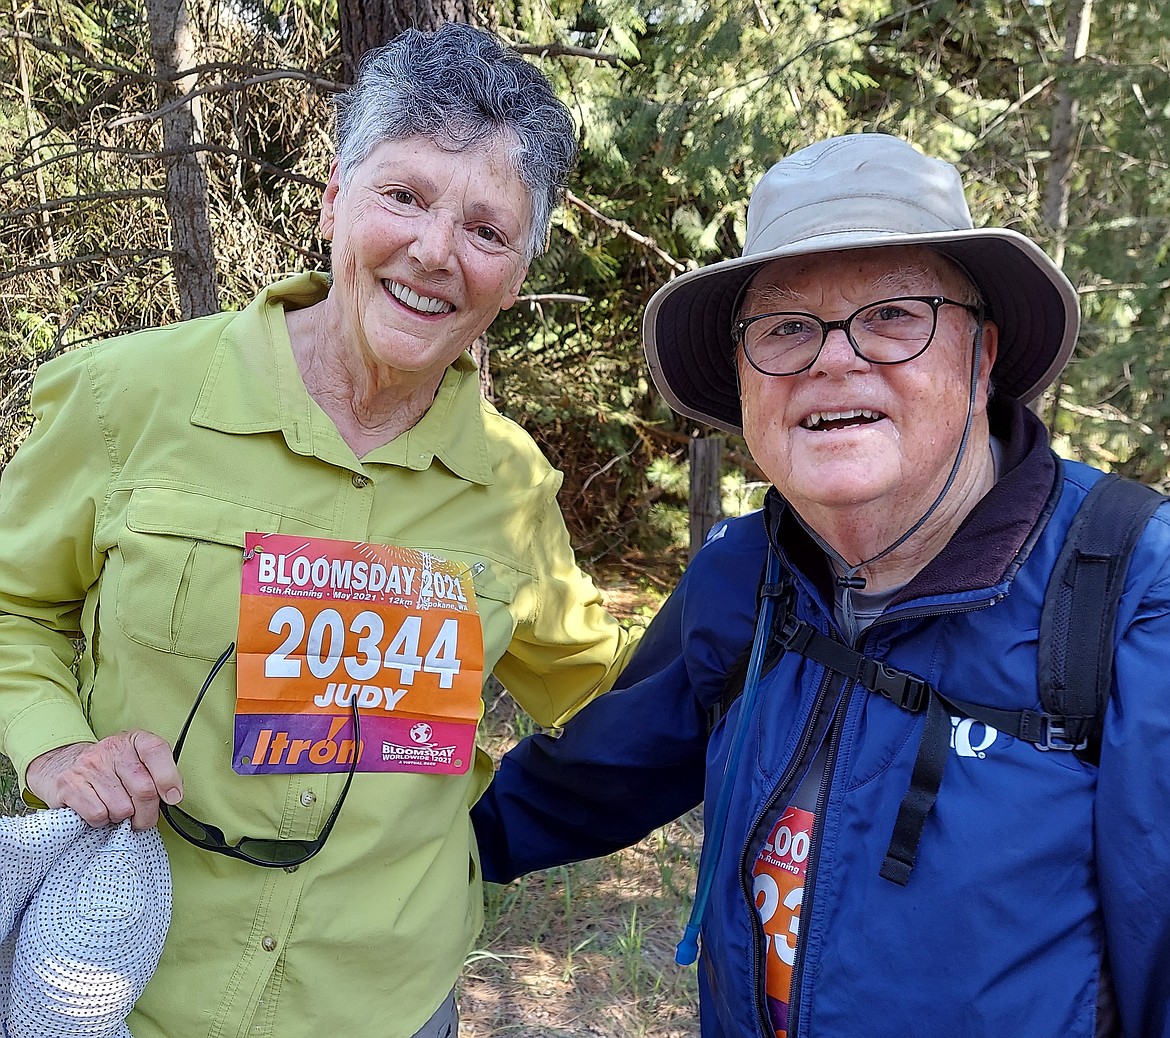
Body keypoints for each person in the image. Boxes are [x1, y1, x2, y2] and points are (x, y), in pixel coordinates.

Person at [0, 23, 639, 1038]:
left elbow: (606, 691)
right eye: (406, 196)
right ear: (335, 200)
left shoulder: (512, 485)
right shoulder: (131, 397)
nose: (435, 251)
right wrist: (54, 750)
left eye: (486, 228)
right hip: (125, 988)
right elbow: (13, 606)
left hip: (384, 1003)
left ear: (518, 269)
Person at [471, 133, 1170, 1038]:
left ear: (981, 355)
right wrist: (380, 841)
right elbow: (591, 781)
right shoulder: (747, 570)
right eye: (787, 327)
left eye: (893, 315)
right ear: (744, 373)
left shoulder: (1129, 594)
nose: (834, 359)